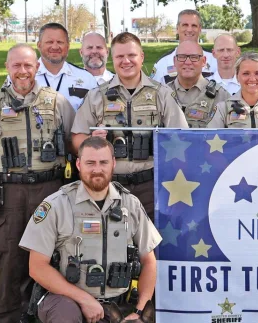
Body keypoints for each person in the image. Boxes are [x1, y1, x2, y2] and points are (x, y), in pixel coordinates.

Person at [19, 137, 161, 323]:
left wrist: (140, 310)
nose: (97, 169)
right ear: (78, 164)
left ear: (113, 165)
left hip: (113, 305)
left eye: (104, 162)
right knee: (66, 321)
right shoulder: (56, 205)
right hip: (66, 298)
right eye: (91, 163)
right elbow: (36, 268)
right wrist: (83, 299)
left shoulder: (130, 205)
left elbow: (149, 261)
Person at [0, 44, 76, 323]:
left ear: (37, 67)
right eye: (16, 65)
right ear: (7, 66)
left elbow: (71, 142)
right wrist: (0, 176)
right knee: (10, 260)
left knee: (54, 257)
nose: (22, 71)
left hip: (49, 190)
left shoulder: (56, 102)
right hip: (11, 193)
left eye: (28, 65)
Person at [71, 32, 188, 218]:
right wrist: (91, 141)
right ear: (113, 59)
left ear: (141, 57)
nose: (126, 61)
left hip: (151, 186)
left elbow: (181, 138)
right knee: (111, 243)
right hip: (109, 186)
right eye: (119, 56)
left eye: (131, 55)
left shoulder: (162, 94)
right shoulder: (96, 96)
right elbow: (77, 138)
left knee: (151, 244)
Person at [165, 40, 230, 129]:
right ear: (174, 61)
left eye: (194, 57)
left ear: (203, 61)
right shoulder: (162, 93)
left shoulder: (221, 96)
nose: (187, 62)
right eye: (182, 57)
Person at [35, 23, 97, 111]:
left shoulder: (86, 78)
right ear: (39, 45)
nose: (55, 47)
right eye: (50, 42)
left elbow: (97, 115)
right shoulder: (22, 77)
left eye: (60, 42)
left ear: (67, 46)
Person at [150, 10, 218, 81]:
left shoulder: (215, 60)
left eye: (194, 25)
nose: (189, 29)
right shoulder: (163, 63)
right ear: (177, 28)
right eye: (185, 25)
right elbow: (153, 90)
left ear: (200, 29)